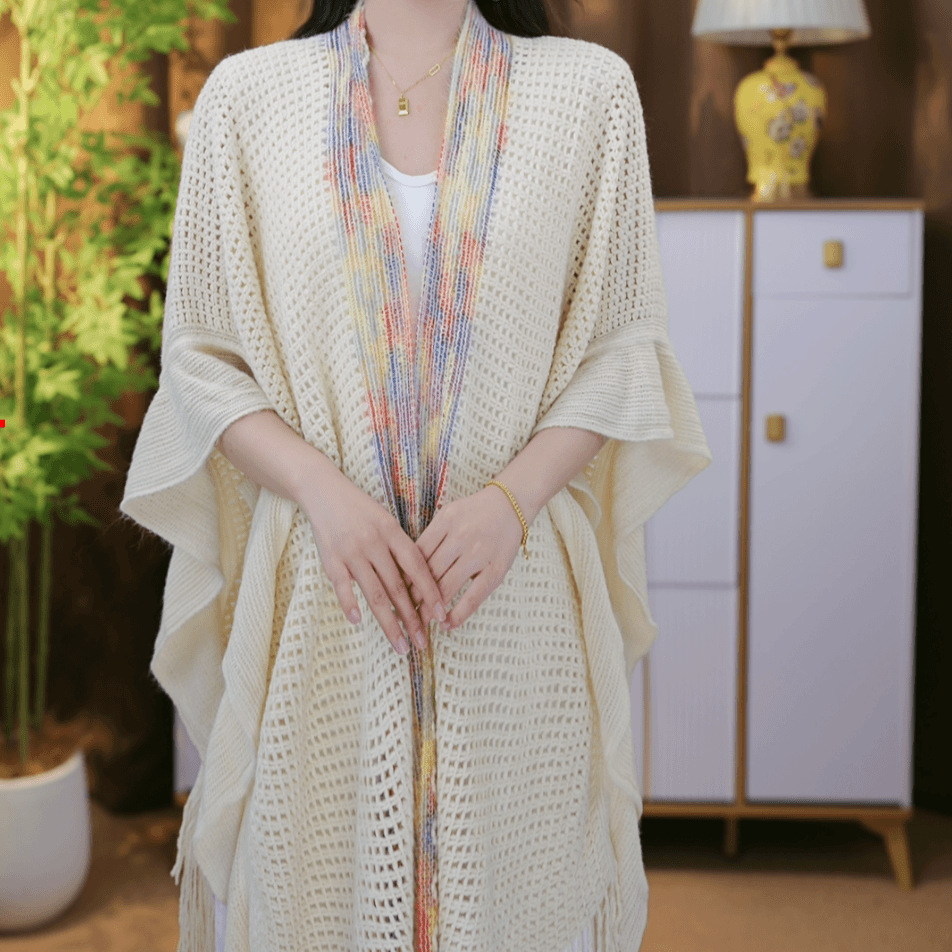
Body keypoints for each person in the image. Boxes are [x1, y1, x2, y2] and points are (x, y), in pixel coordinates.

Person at [119, 0, 712, 949]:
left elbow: (623, 349)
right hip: (324, 598)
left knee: (524, 905)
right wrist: (324, 494)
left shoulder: (588, 93)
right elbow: (199, 359)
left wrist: (511, 504)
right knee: (314, 898)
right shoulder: (247, 99)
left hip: (515, 604)